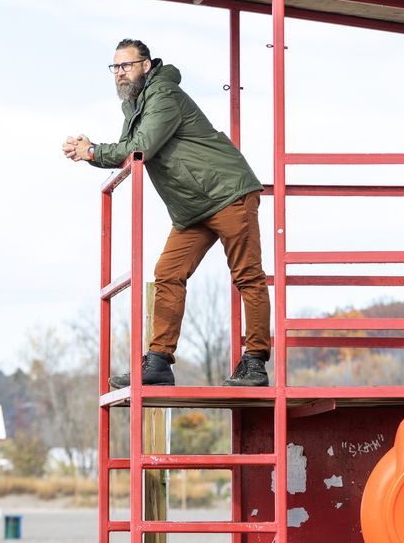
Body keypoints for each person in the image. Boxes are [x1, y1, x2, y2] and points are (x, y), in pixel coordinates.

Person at [62, 39, 271, 389]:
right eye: (115, 68)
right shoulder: (135, 106)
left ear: (146, 65)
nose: (120, 74)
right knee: (168, 273)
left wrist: (93, 150)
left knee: (247, 275)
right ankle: (158, 362)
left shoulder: (163, 96)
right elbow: (129, 153)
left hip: (227, 191)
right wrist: (91, 152)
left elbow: (139, 147)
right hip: (192, 208)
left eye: (126, 66)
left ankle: (255, 362)